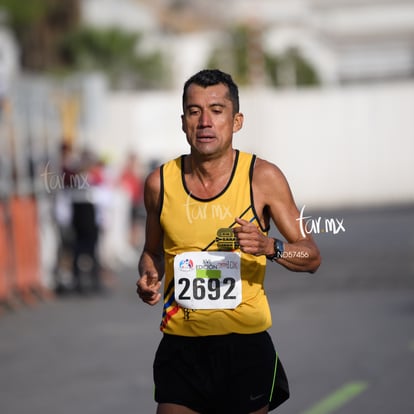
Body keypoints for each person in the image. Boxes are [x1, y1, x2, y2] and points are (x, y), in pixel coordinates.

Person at [136, 69, 321, 414]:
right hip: (181, 348)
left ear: (236, 121)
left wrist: (271, 247)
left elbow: (311, 255)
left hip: (244, 348)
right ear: (183, 122)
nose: (205, 121)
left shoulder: (263, 178)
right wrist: (149, 275)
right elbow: (152, 252)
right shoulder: (159, 184)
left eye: (216, 110)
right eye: (195, 111)